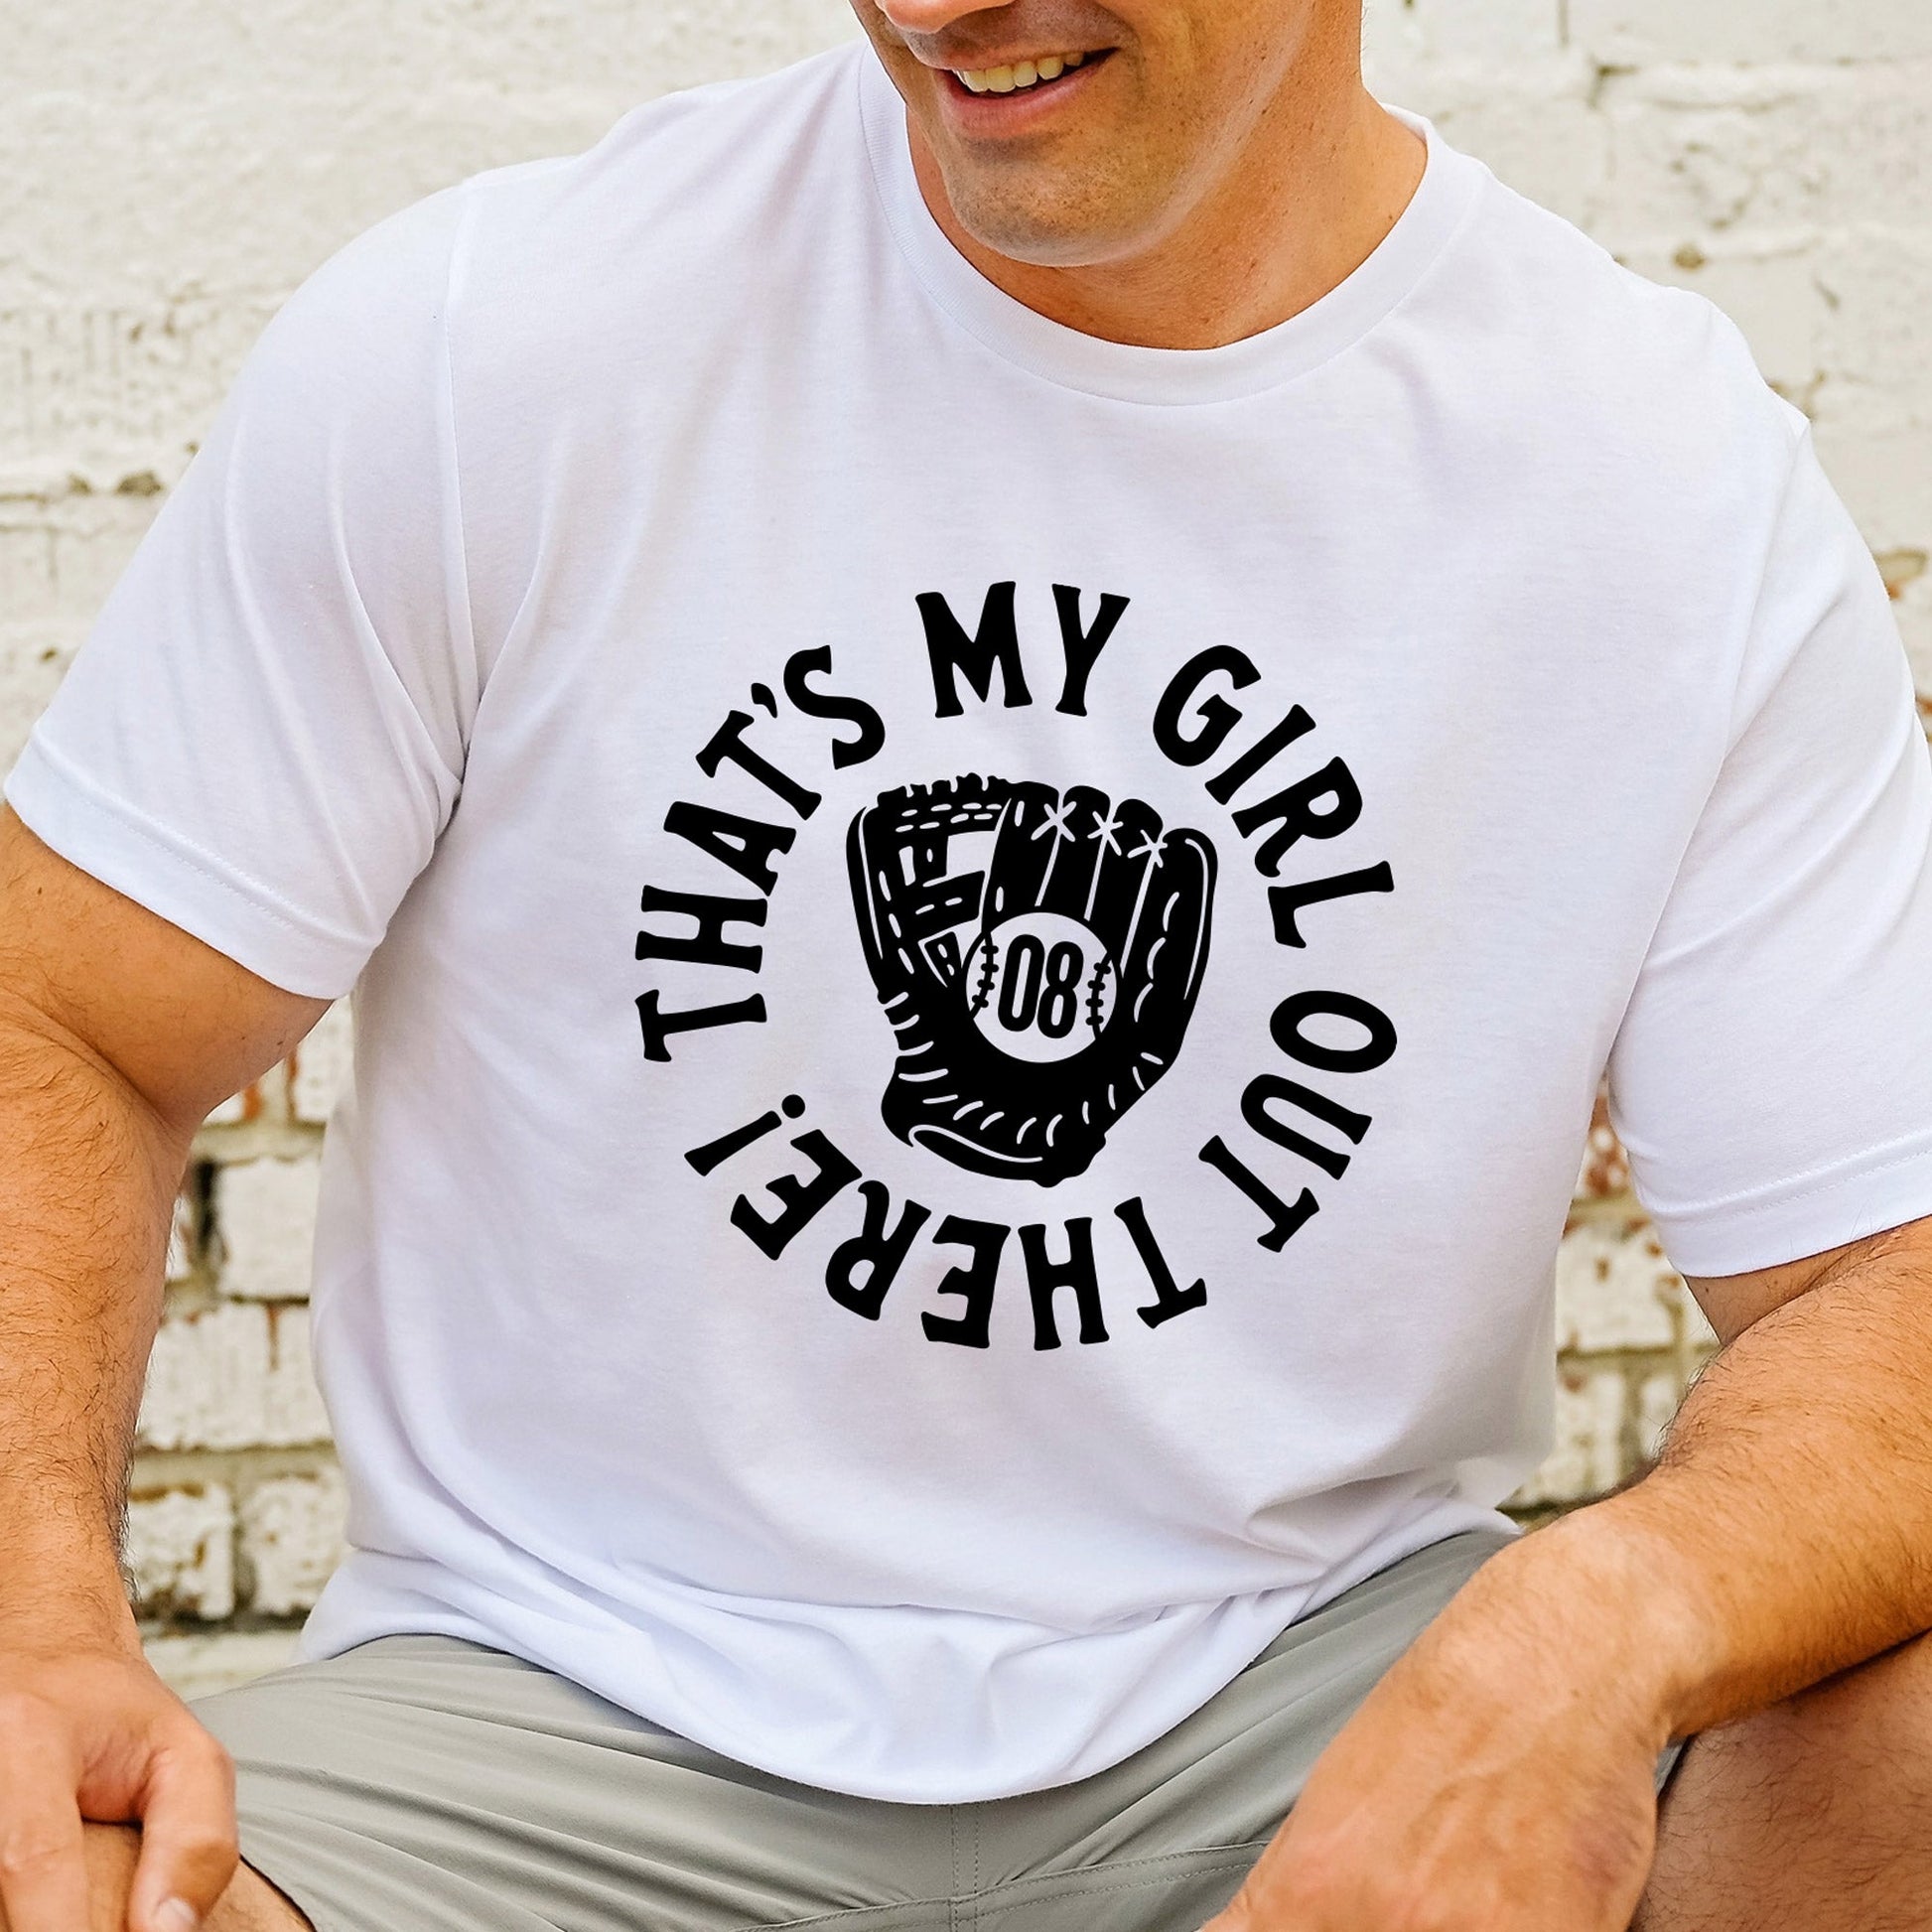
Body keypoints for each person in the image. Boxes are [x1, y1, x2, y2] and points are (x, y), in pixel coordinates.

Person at [3, 0, 1931, 1926]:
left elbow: (1889, 1268)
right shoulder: (502, 341)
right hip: (559, 1714)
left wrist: (1592, 1625)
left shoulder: (1648, 477)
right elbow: (67, 1013)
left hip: (1309, 1696)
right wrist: (37, 1627)